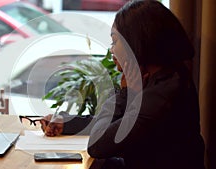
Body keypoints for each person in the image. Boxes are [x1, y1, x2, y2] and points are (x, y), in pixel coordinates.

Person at [40, 1, 205, 169]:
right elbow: (120, 125)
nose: (112, 50)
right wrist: (67, 123)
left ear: (136, 41)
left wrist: (125, 93)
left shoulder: (163, 93)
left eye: (114, 41)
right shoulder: (163, 77)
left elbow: (97, 145)